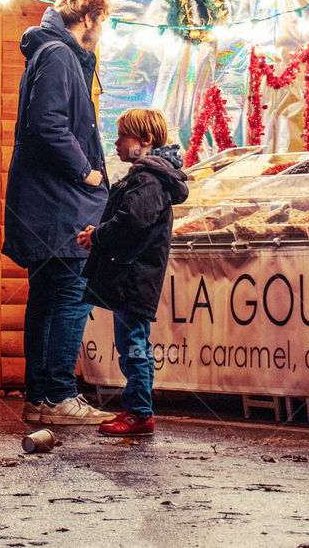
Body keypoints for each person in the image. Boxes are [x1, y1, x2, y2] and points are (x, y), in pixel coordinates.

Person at [3, 0, 114, 426]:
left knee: (47, 298)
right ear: (87, 18)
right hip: (62, 203)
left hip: (48, 202)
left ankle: (41, 397)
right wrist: (86, 172)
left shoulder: (49, 53)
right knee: (68, 297)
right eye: (101, 22)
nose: (101, 31)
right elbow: (47, 123)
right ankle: (59, 394)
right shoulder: (59, 55)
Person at [77, 109, 189, 436]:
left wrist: (97, 236)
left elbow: (131, 222)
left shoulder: (147, 178)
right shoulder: (146, 175)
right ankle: (136, 409)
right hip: (132, 276)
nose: (116, 142)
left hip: (134, 277)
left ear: (144, 141)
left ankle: (140, 413)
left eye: (122, 135)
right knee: (131, 344)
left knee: (134, 346)